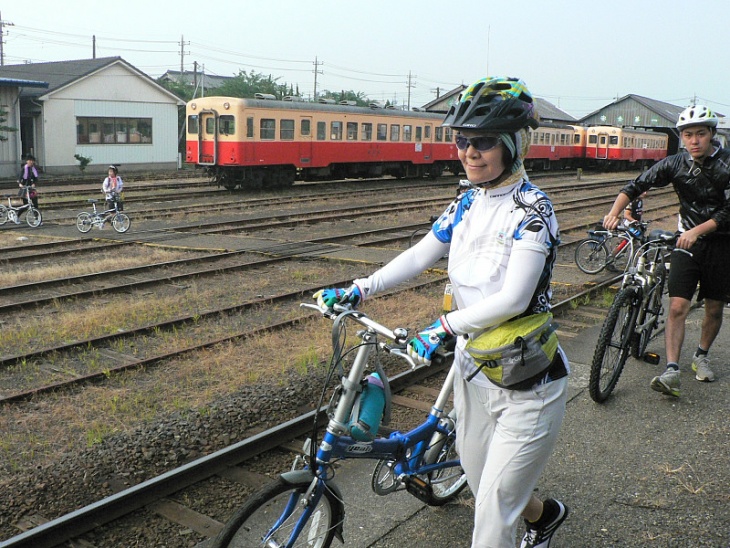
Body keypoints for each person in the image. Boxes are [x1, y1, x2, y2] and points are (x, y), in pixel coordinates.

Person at [314, 77, 569, 548]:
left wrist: (443, 326)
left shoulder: (534, 209)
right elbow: (418, 255)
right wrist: (359, 289)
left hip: (528, 383)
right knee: (480, 481)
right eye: (463, 140)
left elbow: (514, 299)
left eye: (484, 142)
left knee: (491, 518)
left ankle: (521, 520)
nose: (470, 152)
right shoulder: (467, 202)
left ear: (515, 144)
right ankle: (545, 515)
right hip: (474, 370)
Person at [603, 104, 730, 397]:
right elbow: (636, 185)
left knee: (713, 307)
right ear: (681, 138)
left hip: (721, 242)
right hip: (686, 243)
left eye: (700, 133)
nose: (694, 140)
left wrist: (698, 231)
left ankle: (701, 355)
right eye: (688, 135)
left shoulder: (726, 164)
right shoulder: (675, 163)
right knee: (677, 306)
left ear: (711, 134)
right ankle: (672, 370)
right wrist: (614, 212)